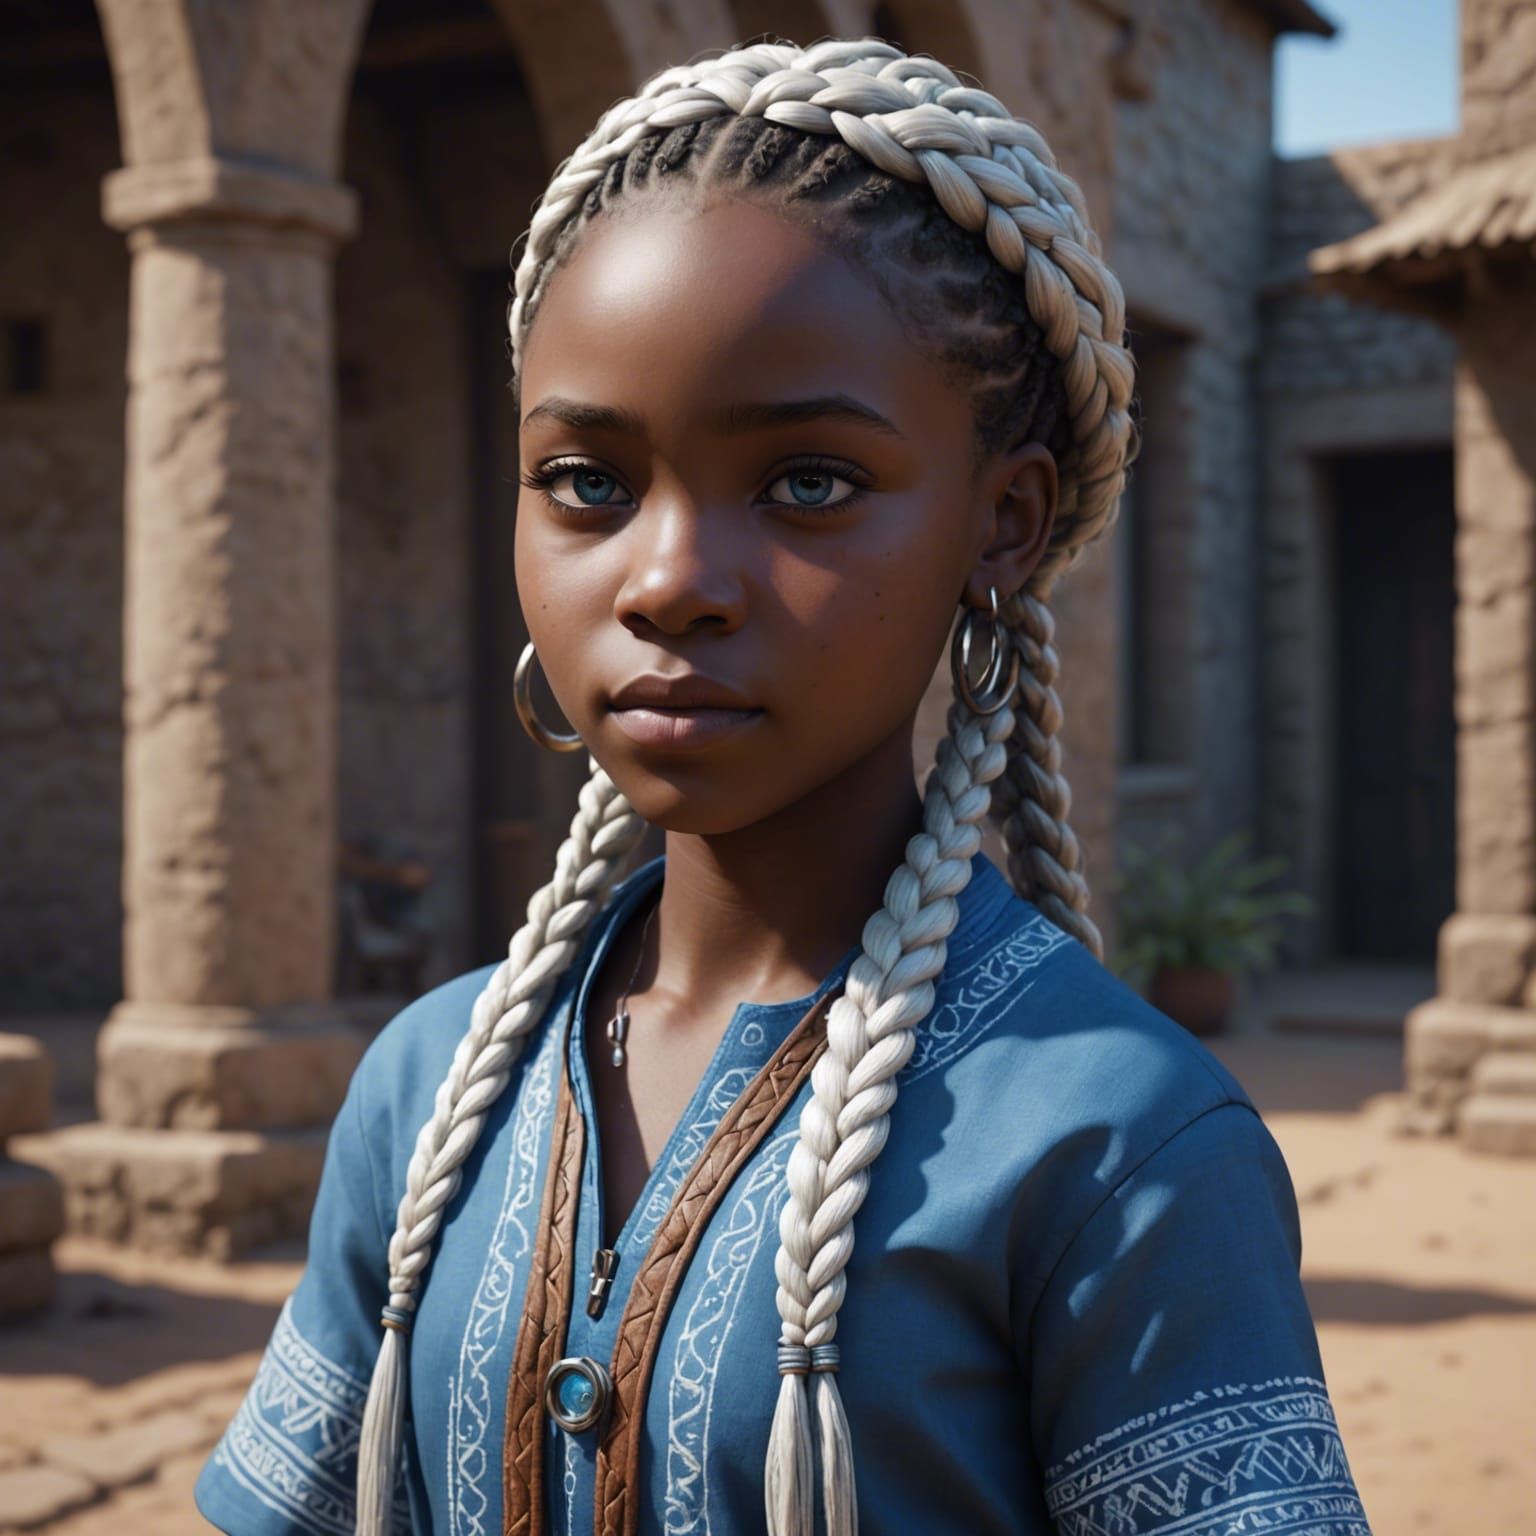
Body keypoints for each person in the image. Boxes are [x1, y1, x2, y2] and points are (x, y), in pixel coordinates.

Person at [195, 35, 1373, 1536]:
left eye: (809, 482)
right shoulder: (430, 1094)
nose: (670, 582)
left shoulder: (1118, 1147)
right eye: (588, 485)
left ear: (1001, 525)